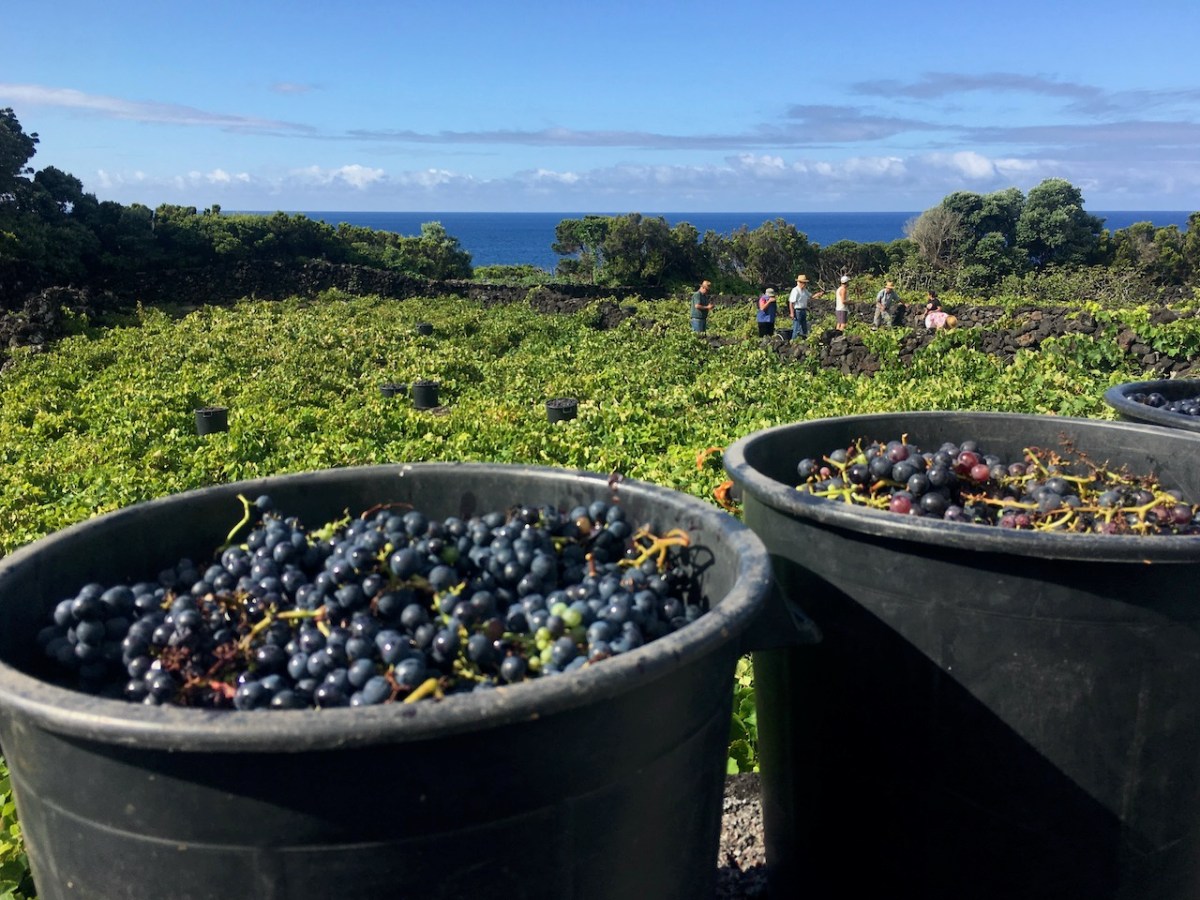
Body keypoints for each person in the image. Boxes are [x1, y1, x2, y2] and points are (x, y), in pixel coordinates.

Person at [788, 274, 825, 340]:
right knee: (796, 328)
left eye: (805, 283)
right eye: (803, 283)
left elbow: (811, 296)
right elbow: (791, 302)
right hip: (797, 311)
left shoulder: (804, 290)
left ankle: (804, 340)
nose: (804, 284)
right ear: (799, 282)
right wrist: (792, 313)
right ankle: (793, 341)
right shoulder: (795, 290)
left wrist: (818, 294)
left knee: (804, 328)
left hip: (803, 310)